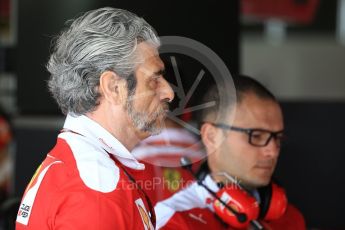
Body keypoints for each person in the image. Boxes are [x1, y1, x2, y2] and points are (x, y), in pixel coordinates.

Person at [16, 7, 174, 230]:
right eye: (154, 79)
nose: (169, 92)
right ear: (113, 87)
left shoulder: (81, 166)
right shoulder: (98, 187)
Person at [155, 75, 305, 229]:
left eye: (277, 138)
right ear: (211, 136)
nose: (272, 151)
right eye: (256, 136)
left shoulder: (289, 218)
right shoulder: (173, 220)